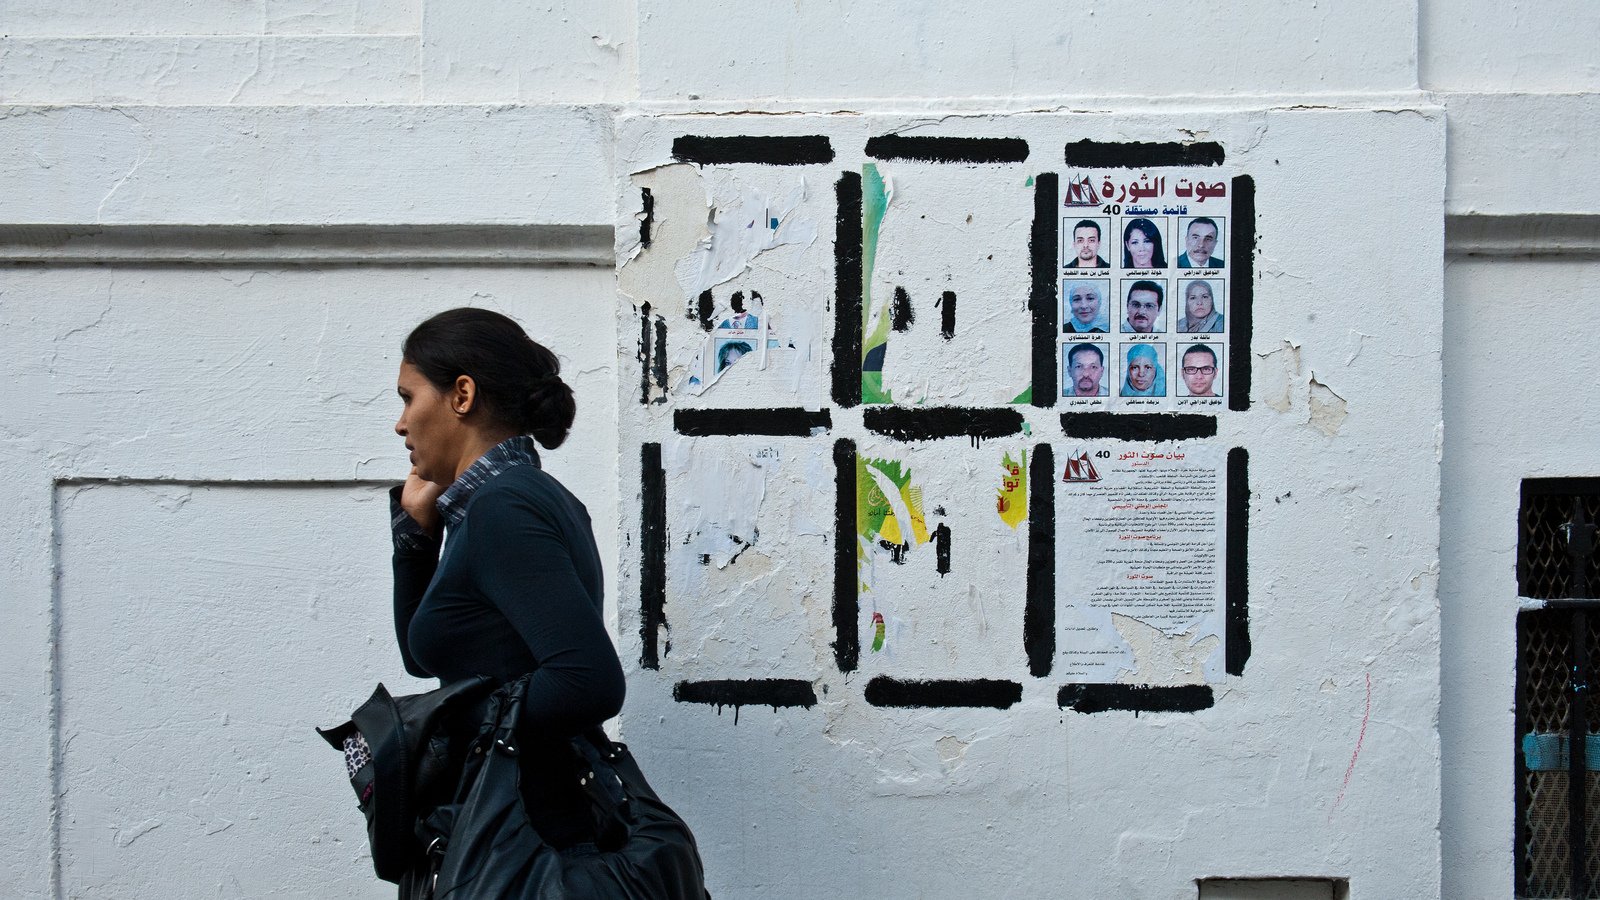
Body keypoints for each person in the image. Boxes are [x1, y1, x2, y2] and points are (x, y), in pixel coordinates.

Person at [390, 307, 625, 854]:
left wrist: (441, 727)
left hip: (526, 837)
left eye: (408, 397)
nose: (400, 424)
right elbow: (425, 657)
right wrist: (416, 538)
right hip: (518, 823)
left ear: (462, 396)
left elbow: (589, 682)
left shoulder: (504, 508)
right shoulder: (506, 502)